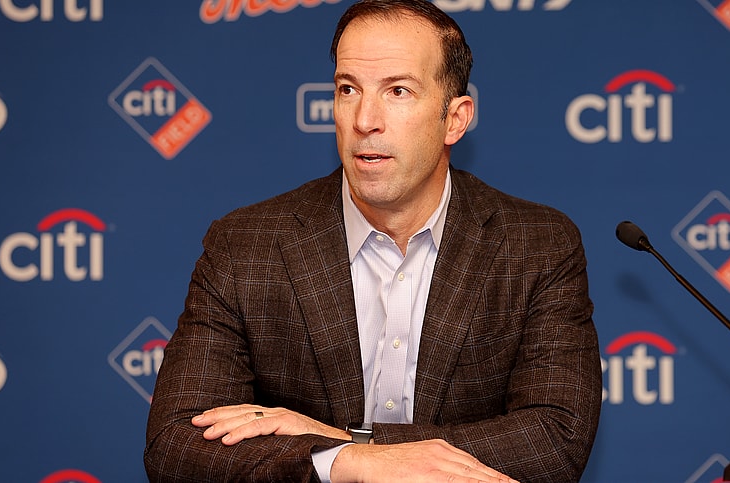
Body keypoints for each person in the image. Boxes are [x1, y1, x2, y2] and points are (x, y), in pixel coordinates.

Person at [144, 0, 602, 481]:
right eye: (348, 89)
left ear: (455, 119)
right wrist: (351, 462)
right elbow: (176, 447)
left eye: (398, 91)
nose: (365, 120)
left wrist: (342, 442)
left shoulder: (537, 245)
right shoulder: (246, 246)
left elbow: (555, 439)